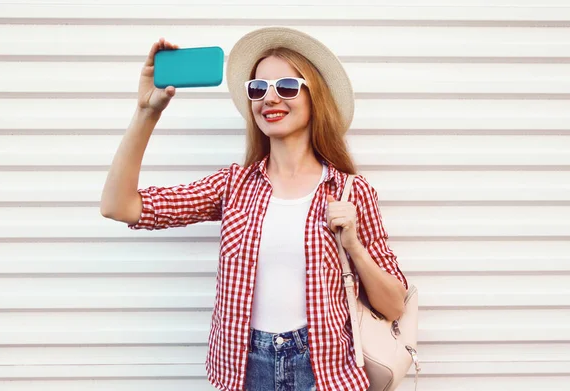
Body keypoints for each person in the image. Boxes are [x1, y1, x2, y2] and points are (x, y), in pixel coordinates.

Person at [100, 27, 408, 391]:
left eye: (287, 87)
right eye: (258, 89)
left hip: (325, 373)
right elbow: (119, 206)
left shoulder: (350, 191)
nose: (270, 99)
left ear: (315, 98)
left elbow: (394, 306)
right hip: (246, 371)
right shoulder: (233, 186)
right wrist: (145, 112)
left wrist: (354, 246)